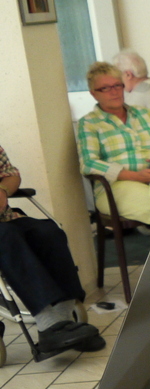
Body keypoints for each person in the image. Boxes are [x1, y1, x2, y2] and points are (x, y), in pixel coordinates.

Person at [0, 144, 106, 356]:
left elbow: (11, 175)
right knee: (6, 237)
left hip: (6, 219)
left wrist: (2, 190)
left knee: (48, 232)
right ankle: (49, 324)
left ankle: (65, 322)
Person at [76, 61, 150, 227]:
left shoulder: (143, 114)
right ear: (94, 94)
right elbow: (88, 163)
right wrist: (133, 176)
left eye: (117, 85)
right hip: (117, 187)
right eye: (105, 88)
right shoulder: (89, 123)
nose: (114, 91)